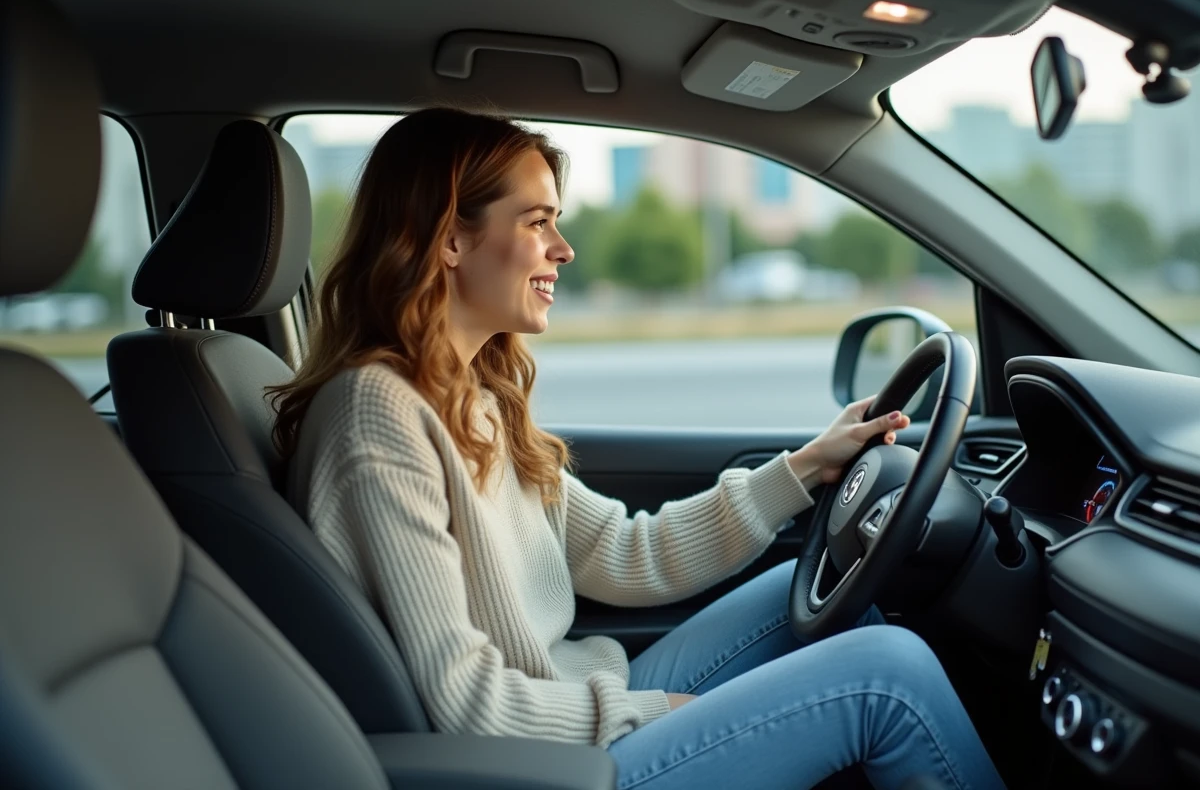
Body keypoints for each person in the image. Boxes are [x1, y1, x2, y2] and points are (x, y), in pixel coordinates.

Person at [271, 108, 1006, 790]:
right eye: (537, 222)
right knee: (886, 675)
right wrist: (659, 713)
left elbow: (626, 552)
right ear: (450, 239)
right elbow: (466, 703)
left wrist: (808, 466)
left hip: (569, 708)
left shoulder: (472, 397)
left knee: (814, 599)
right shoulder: (379, 414)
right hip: (534, 765)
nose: (564, 249)